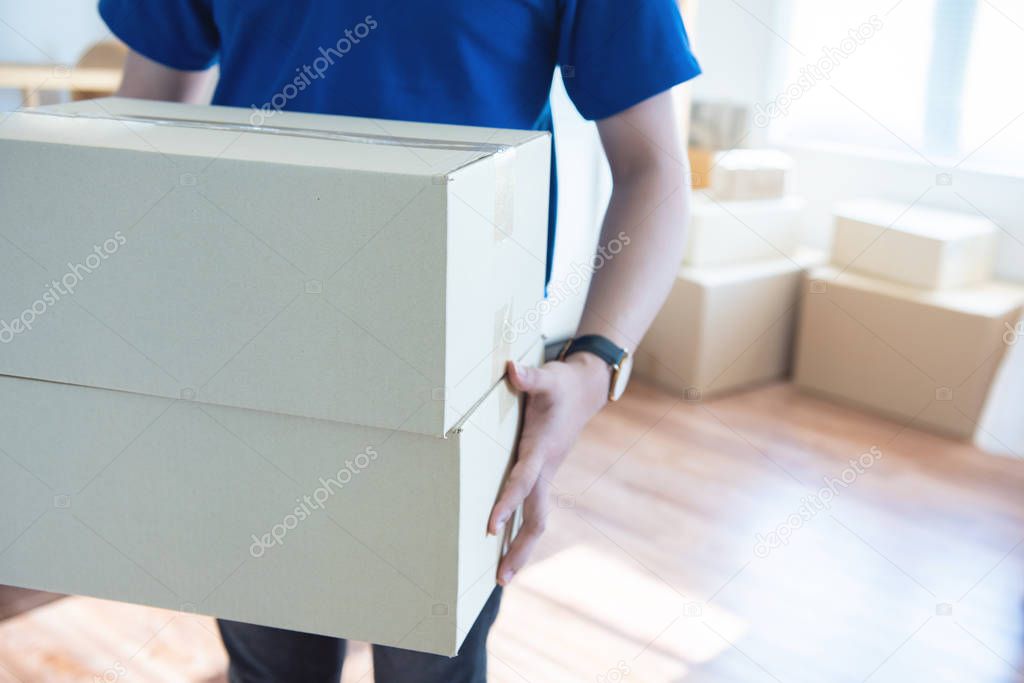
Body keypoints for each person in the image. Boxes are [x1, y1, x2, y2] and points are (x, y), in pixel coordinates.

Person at [98, 1, 700, 680]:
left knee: (429, 665)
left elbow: (654, 168)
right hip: (247, 354)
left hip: (464, 374)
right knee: (270, 663)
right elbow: (147, 120)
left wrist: (597, 364)